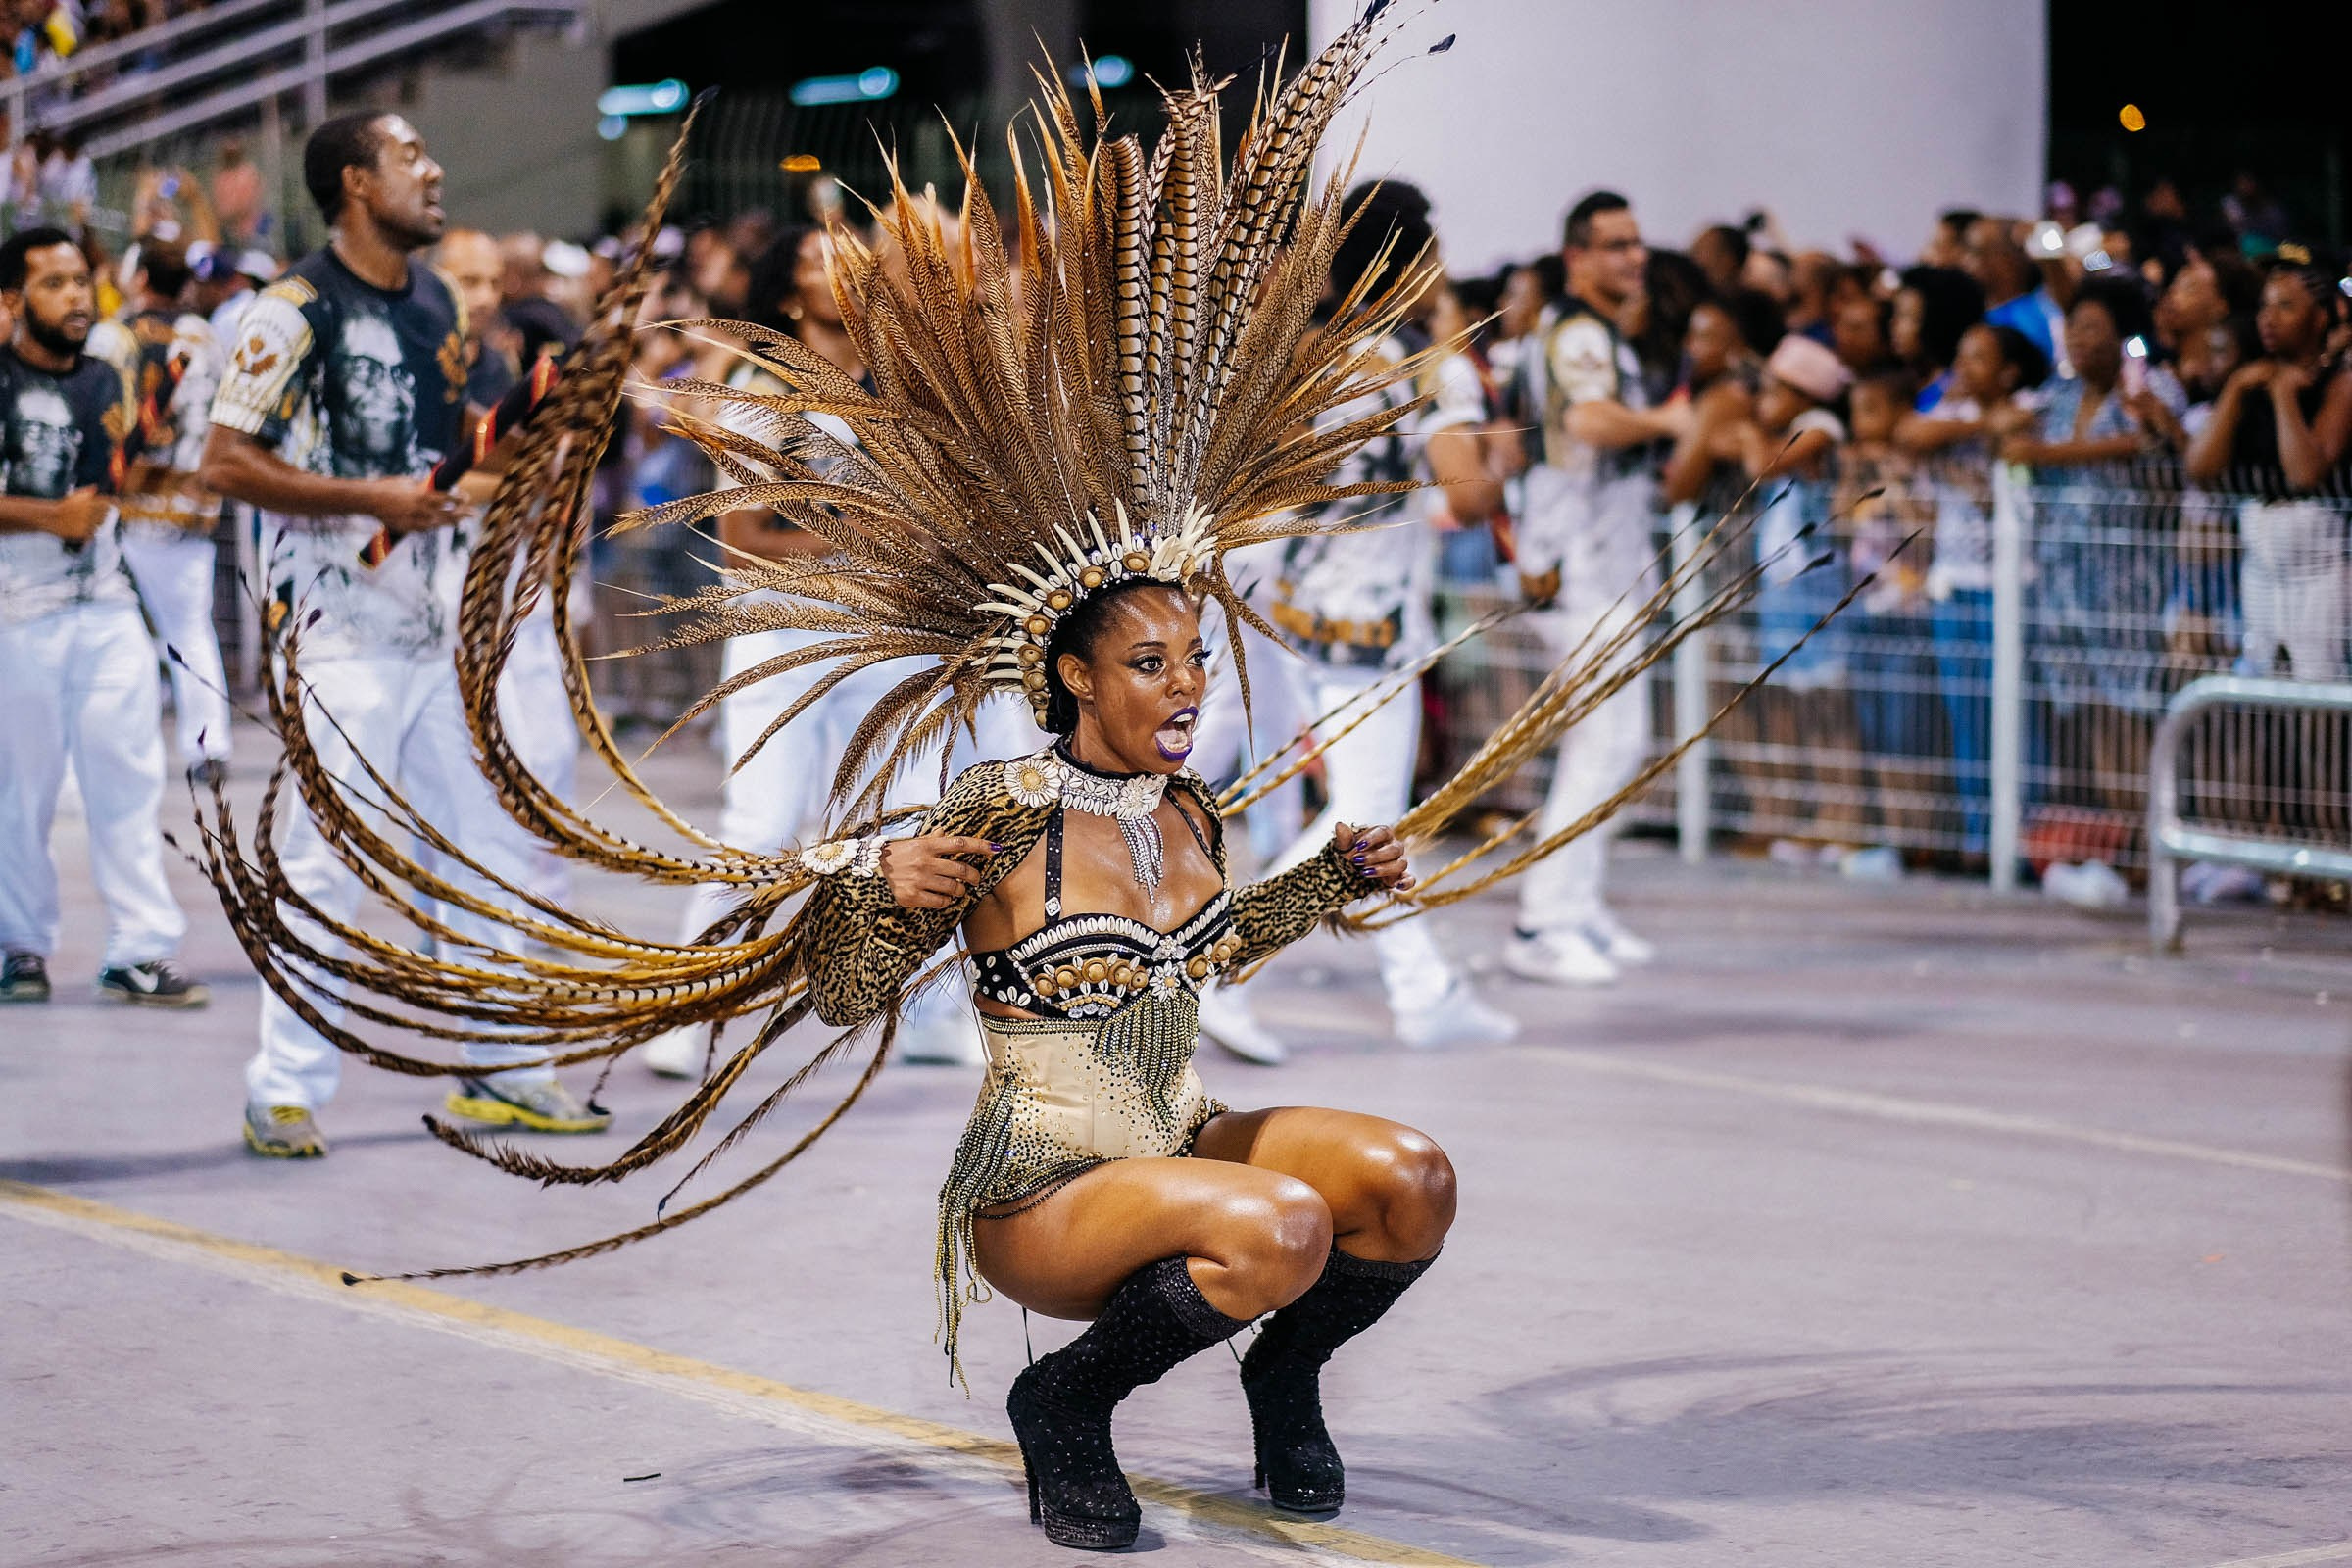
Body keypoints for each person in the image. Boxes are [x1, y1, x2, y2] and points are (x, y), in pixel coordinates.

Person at [200, 41, 1767, 1548]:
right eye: (1152, 664)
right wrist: (881, 902)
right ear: (1076, 676)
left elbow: (1199, 959)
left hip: (1179, 1133)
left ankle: (1283, 1376)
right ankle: (1068, 1412)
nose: (1189, 688)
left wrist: (1331, 884)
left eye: (1197, 660)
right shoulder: (1003, 804)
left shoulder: (1190, 810)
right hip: (1046, 1191)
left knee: (1406, 1179)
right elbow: (837, 993)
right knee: (1281, 1228)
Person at [200, 112, 609, 1157]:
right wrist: (364, 495)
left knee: (486, 847)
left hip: (434, 633)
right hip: (336, 634)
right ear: (354, 184)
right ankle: (282, 1090)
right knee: (326, 862)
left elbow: (457, 449)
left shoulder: (432, 302)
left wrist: (552, 411)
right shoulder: (289, 313)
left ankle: (504, 1070)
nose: (434, 172)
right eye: (410, 159)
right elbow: (224, 463)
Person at [635, 222, 993, 1077]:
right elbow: (741, 539)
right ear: (790, 296)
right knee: (763, 827)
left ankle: (935, 1008)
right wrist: (880, 541)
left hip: (888, 640)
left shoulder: (899, 386)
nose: (845, 276)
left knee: (921, 822)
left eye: (855, 264)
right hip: (785, 640)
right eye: (819, 266)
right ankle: (693, 1006)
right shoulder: (765, 389)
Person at [1205, 181, 1518, 1056]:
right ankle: (1221, 963)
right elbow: (1467, 492)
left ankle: (1425, 989)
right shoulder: (1427, 361)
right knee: (1369, 822)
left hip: (1298, 605)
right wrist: (1478, 417)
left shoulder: (1308, 352)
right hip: (1372, 621)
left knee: (1367, 815)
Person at [0, 226, 208, 1008]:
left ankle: (142, 949)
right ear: (13, 302)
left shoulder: (106, 381)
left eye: (82, 280)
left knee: (128, 780)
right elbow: (62, 506)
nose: (78, 296)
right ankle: (19, 946)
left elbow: (112, 482)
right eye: (54, 283)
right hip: (17, 610)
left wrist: (175, 483)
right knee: (22, 791)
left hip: (108, 603)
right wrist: (49, 518)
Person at [1507, 189, 1688, 986]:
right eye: (1615, 244)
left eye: (1637, 242)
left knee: (1620, 740)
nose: (1633, 256)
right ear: (1577, 256)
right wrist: (1675, 424)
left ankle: (1577, 905)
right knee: (1602, 740)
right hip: (1579, 565)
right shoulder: (1579, 332)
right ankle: (1543, 921)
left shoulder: (1599, 331)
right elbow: (1588, 423)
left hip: (1607, 563)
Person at [1895, 320, 2049, 858]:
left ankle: (2026, 837)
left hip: (2011, 586)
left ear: (2008, 371)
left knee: (2016, 711)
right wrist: (1980, 422)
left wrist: (1975, 430)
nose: (1964, 369)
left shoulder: (2034, 404)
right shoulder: (1960, 412)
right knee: (1967, 714)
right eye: (1961, 356)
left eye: (1979, 359)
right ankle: (1980, 836)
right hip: (1954, 585)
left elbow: (2012, 445)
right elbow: (1910, 434)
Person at [88, 235, 233, 782]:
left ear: (142, 277)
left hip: (127, 504)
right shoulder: (207, 334)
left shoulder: (115, 335)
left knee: (114, 624)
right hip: (195, 500)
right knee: (190, 627)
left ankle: (120, 743)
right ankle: (208, 745)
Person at [2185, 253, 2352, 679]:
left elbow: (2305, 473)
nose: (2269, 318)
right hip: (2260, 567)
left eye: (2286, 306)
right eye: (2265, 305)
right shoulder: (2249, 378)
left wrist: (2283, 397)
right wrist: (2237, 389)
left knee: (2320, 696)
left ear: (2320, 317)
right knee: (2257, 698)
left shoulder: (2342, 381)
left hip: (2323, 569)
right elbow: (2200, 468)